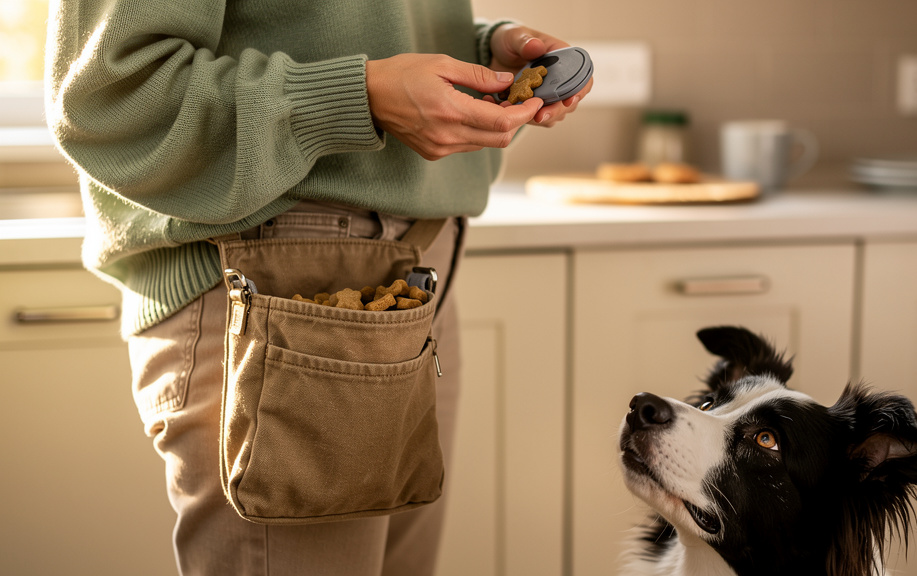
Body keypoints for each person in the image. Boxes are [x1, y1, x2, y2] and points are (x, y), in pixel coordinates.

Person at [45, 0, 590, 574]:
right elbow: (110, 99)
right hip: (278, 281)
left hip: (417, 268)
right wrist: (360, 94)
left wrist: (478, 57)